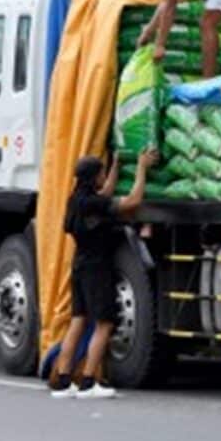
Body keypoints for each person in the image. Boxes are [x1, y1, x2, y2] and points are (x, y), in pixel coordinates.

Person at [50, 147, 159, 399]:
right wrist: (141, 168)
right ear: (93, 177)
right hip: (97, 268)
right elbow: (132, 201)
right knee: (104, 323)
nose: (103, 179)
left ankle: (63, 381)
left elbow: (105, 195)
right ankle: (88, 382)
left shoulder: (76, 200)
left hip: (78, 266)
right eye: (101, 173)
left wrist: (115, 166)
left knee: (78, 321)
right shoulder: (94, 203)